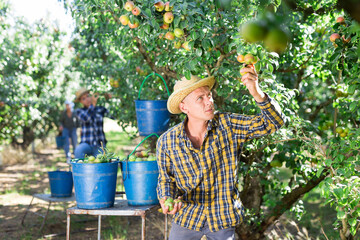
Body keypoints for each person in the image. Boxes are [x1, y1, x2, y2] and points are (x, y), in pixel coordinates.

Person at [156, 66, 285, 240]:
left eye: (208, 95)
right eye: (200, 98)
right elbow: (166, 179)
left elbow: (273, 123)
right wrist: (167, 198)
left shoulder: (228, 125)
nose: (209, 101)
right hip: (187, 218)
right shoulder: (167, 141)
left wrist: (257, 92)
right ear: (184, 107)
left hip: (222, 218)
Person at [73, 88, 109, 159]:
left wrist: (108, 99)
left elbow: (113, 115)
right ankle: (79, 169)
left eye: (88, 96)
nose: (87, 99)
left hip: (99, 145)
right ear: (80, 101)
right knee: (78, 150)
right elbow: (85, 118)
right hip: (86, 143)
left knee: (102, 163)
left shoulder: (100, 109)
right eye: (83, 99)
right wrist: (93, 105)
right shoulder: (79, 111)